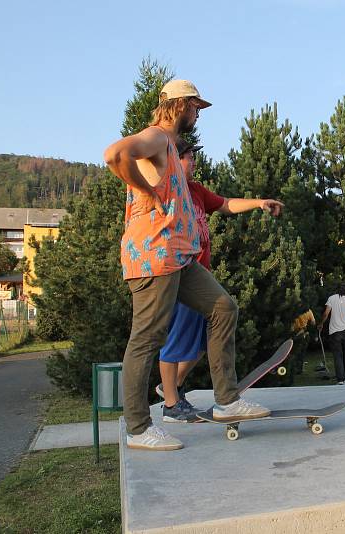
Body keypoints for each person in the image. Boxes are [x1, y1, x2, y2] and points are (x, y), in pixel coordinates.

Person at [104, 79, 282, 451]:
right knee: (147, 337)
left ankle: (227, 400)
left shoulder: (173, 152)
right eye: (195, 107)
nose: (198, 113)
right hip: (154, 257)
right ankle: (138, 428)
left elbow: (222, 203)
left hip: (180, 259)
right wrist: (149, 192)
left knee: (222, 307)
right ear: (180, 105)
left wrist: (259, 202)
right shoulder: (156, 137)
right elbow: (115, 154)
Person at [155, 139, 285, 423]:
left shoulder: (197, 190)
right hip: (179, 276)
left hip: (200, 277)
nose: (194, 162)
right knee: (175, 341)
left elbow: (225, 204)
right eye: (189, 157)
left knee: (207, 340)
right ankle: (170, 405)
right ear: (175, 161)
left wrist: (259, 203)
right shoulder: (167, 190)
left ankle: (172, 387)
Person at [318, 284, 345, 384]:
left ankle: (340, 379)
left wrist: (321, 323)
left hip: (335, 332)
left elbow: (326, 313)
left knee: (337, 355)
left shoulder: (331, 298)